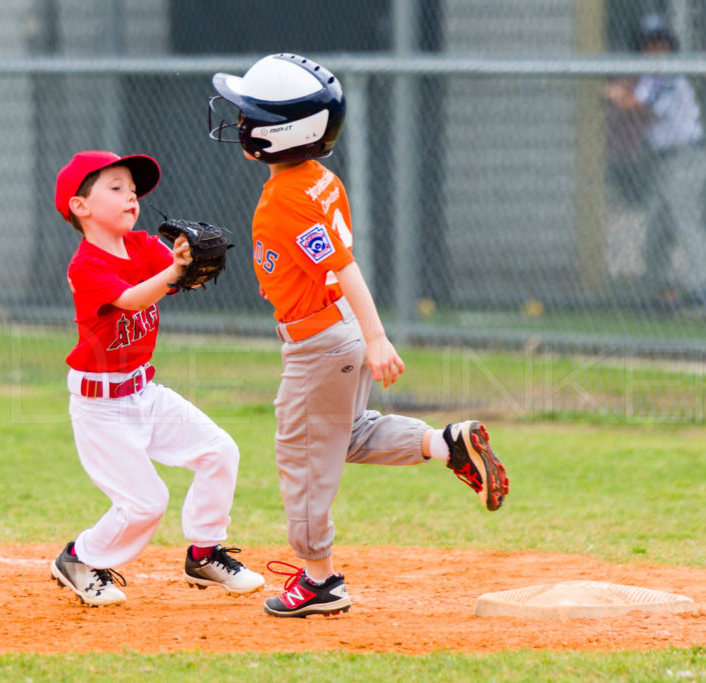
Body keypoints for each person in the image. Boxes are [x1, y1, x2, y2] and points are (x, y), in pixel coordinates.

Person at [208, 54, 509, 618]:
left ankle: (319, 580)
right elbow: (319, 264)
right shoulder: (318, 180)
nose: (240, 121)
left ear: (279, 133)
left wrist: (377, 339)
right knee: (345, 436)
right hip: (334, 331)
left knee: (301, 456)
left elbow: (344, 267)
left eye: (250, 113)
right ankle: (447, 444)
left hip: (321, 344)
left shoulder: (285, 198)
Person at [49, 150, 264, 606]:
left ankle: (204, 554)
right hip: (101, 406)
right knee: (146, 503)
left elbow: (175, 270)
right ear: (80, 206)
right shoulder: (84, 266)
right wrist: (174, 272)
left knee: (218, 451)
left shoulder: (144, 246)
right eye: (115, 187)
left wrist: (186, 260)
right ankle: (79, 558)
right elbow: (129, 299)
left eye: (133, 189)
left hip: (144, 392)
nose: (131, 196)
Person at [604, 13, 706, 313]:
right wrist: (622, 92)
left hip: (687, 156)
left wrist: (617, 94)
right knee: (656, 227)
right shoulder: (648, 77)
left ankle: (700, 292)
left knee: (687, 222)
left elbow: (641, 108)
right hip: (663, 162)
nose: (655, 49)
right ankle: (665, 294)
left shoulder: (668, 74)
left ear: (669, 46)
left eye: (660, 43)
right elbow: (633, 104)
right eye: (648, 44)